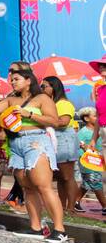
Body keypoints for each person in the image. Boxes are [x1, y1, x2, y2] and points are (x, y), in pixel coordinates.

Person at [0, 61, 69, 242]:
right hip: (16, 144)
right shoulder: (11, 99)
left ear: (28, 80)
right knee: (28, 188)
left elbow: (54, 121)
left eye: (16, 79)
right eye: (11, 79)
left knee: (44, 187)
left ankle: (60, 230)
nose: (13, 82)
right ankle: (36, 227)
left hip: (36, 142)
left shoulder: (42, 98)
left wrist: (29, 114)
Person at [40, 75, 79, 217]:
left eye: (44, 86)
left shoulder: (63, 103)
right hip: (56, 142)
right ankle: (62, 207)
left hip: (65, 141)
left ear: (53, 87)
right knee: (61, 177)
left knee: (68, 177)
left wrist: (43, 120)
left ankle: (71, 208)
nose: (42, 89)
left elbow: (63, 121)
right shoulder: (51, 103)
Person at [75, 107, 103, 212]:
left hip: (96, 160)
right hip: (88, 161)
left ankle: (75, 202)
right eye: (95, 116)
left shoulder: (98, 131)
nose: (98, 118)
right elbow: (79, 145)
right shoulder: (83, 132)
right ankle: (105, 206)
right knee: (96, 182)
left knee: (86, 184)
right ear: (86, 118)